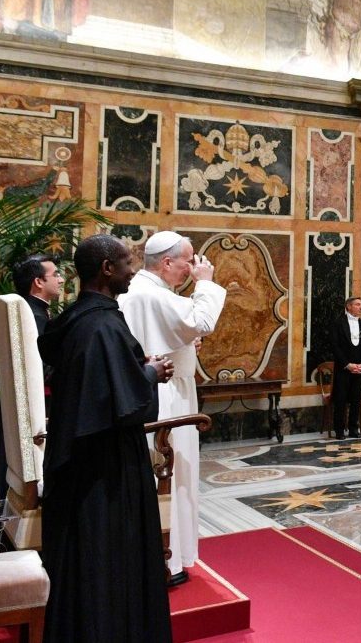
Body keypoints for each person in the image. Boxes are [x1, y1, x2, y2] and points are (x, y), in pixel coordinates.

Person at [39, 234, 175, 643]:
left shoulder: (77, 319)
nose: (132, 270)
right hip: (105, 471)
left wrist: (135, 367)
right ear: (106, 268)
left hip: (76, 460)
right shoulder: (103, 325)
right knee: (110, 559)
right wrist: (150, 373)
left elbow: (97, 382)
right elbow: (121, 404)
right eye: (127, 262)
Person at [117, 231, 225, 584]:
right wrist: (205, 283)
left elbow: (173, 333)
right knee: (170, 476)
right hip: (166, 397)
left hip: (161, 391)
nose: (192, 267)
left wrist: (187, 344)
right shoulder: (152, 294)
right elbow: (203, 321)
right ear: (166, 262)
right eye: (188, 261)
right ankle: (168, 559)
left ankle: (166, 555)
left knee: (168, 476)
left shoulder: (145, 291)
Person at [331, 297, 361, 437]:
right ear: (348, 306)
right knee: (341, 400)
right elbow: (335, 346)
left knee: (356, 400)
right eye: (357, 304)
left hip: (360, 369)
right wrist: (347, 365)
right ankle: (339, 430)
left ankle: (354, 429)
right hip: (344, 369)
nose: (360, 307)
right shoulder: (338, 323)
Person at [13, 252, 60, 336]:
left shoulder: (23, 309)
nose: (61, 280)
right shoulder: (35, 318)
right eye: (56, 275)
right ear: (38, 282)